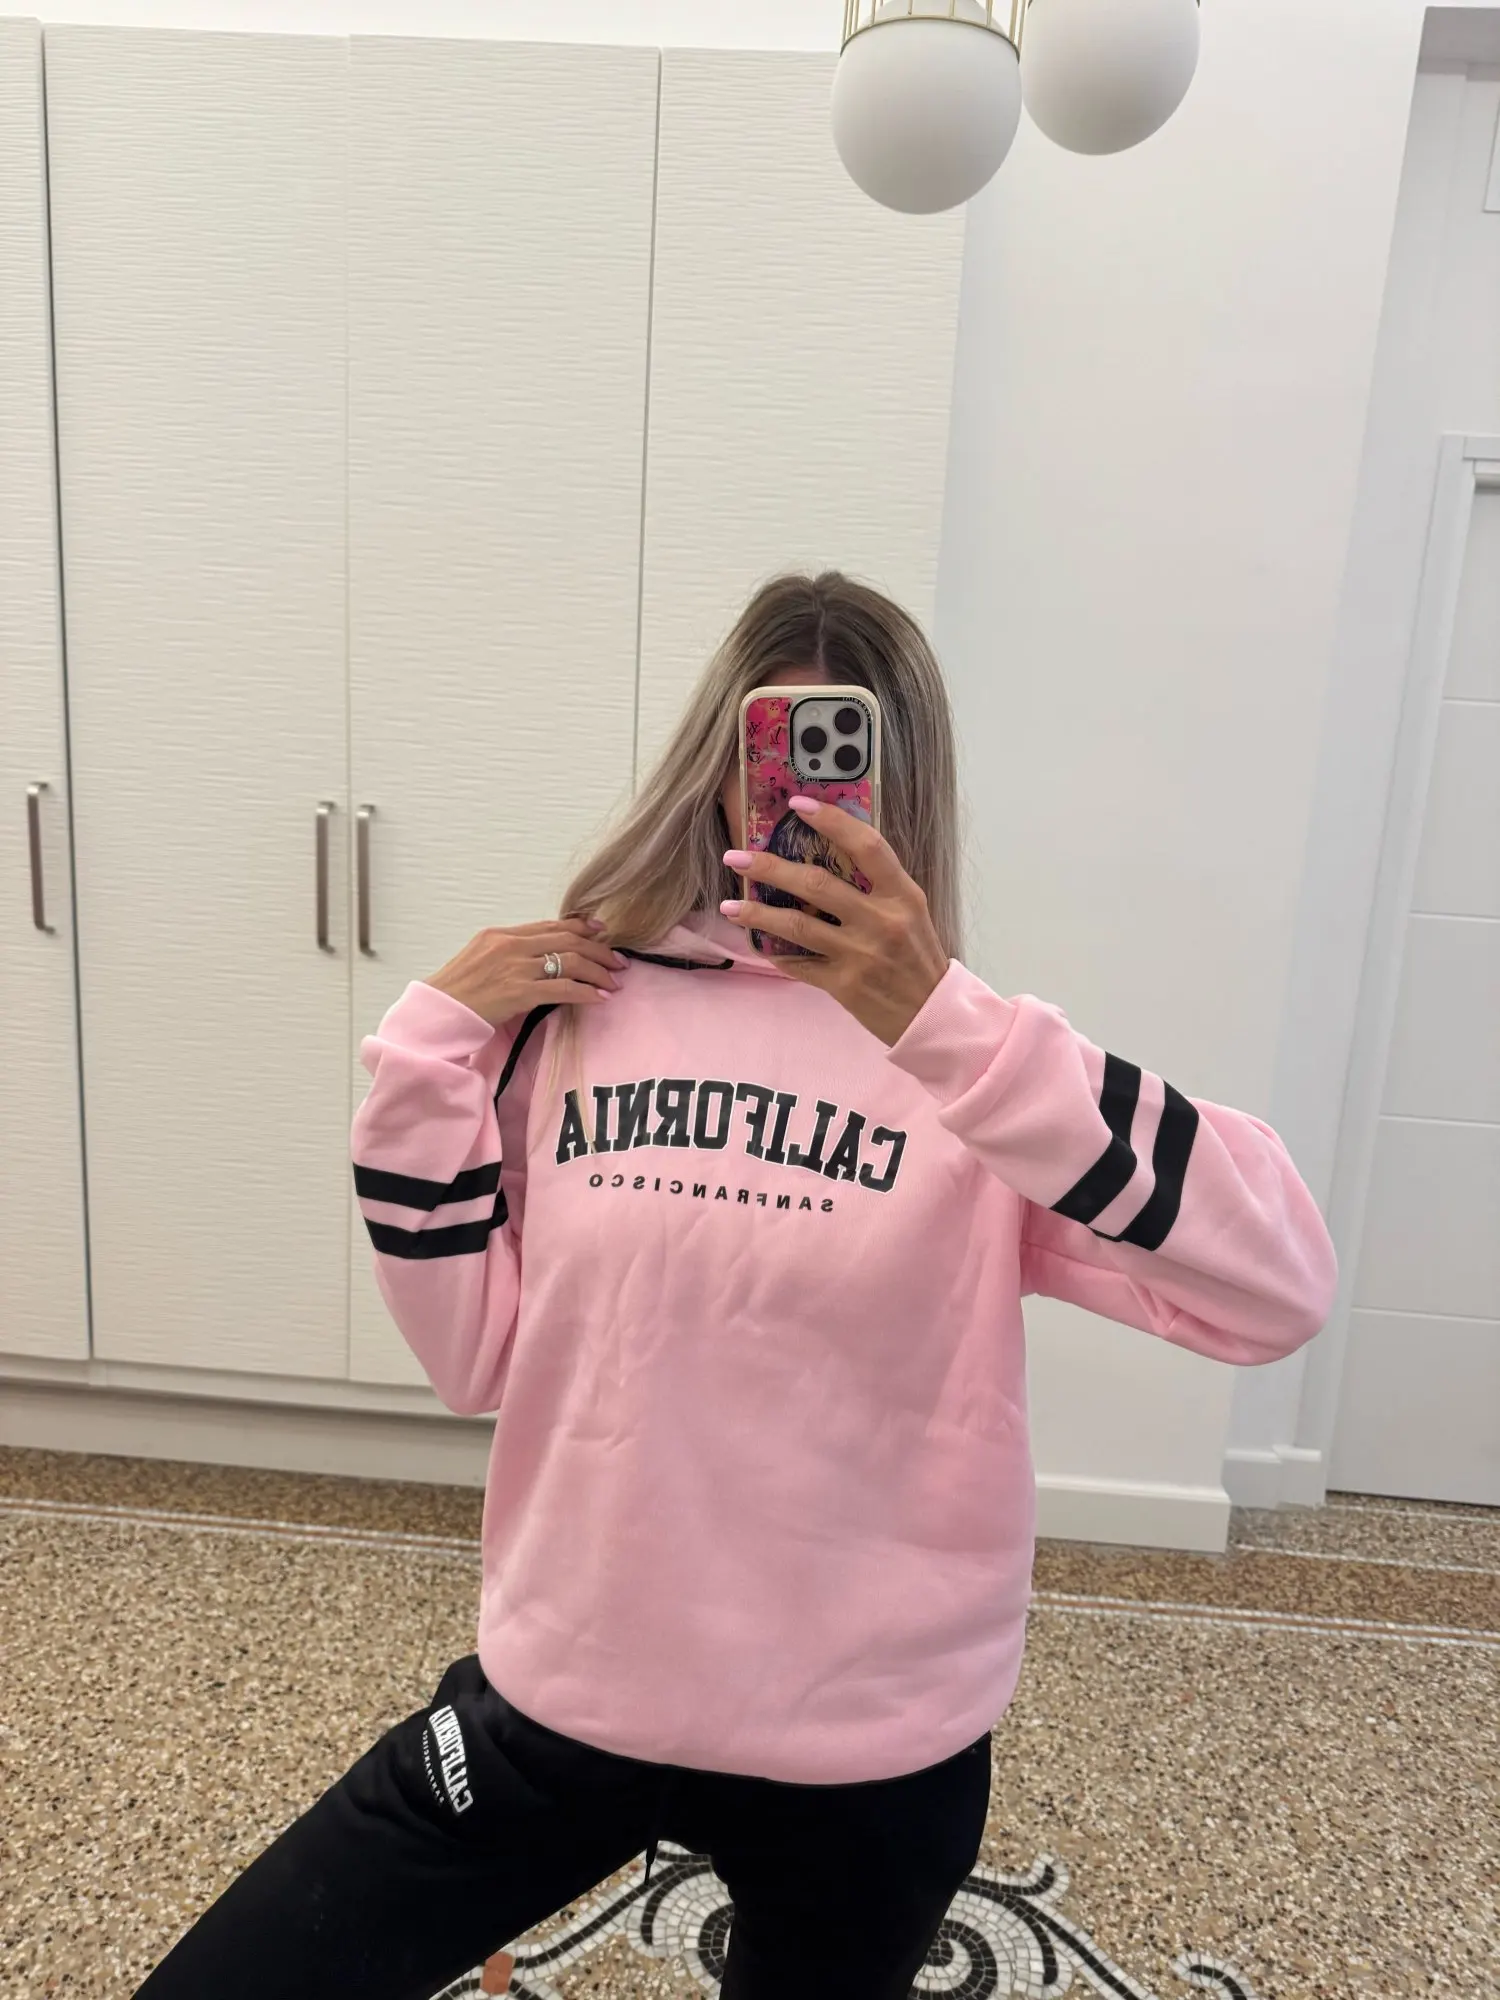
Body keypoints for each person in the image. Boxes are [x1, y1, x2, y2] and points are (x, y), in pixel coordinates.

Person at [134, 571, 1338, 2000]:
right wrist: (428, 1052)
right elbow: (477, 1361)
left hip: (870, 1752)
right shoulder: (576, 1021)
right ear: (718, 769)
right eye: (774, 751)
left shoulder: (982, 1067)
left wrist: (949, 1027)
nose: (803, 798)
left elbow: (1280, 1287)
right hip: (570, 1698)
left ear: (902, 787)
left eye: (845, 755)